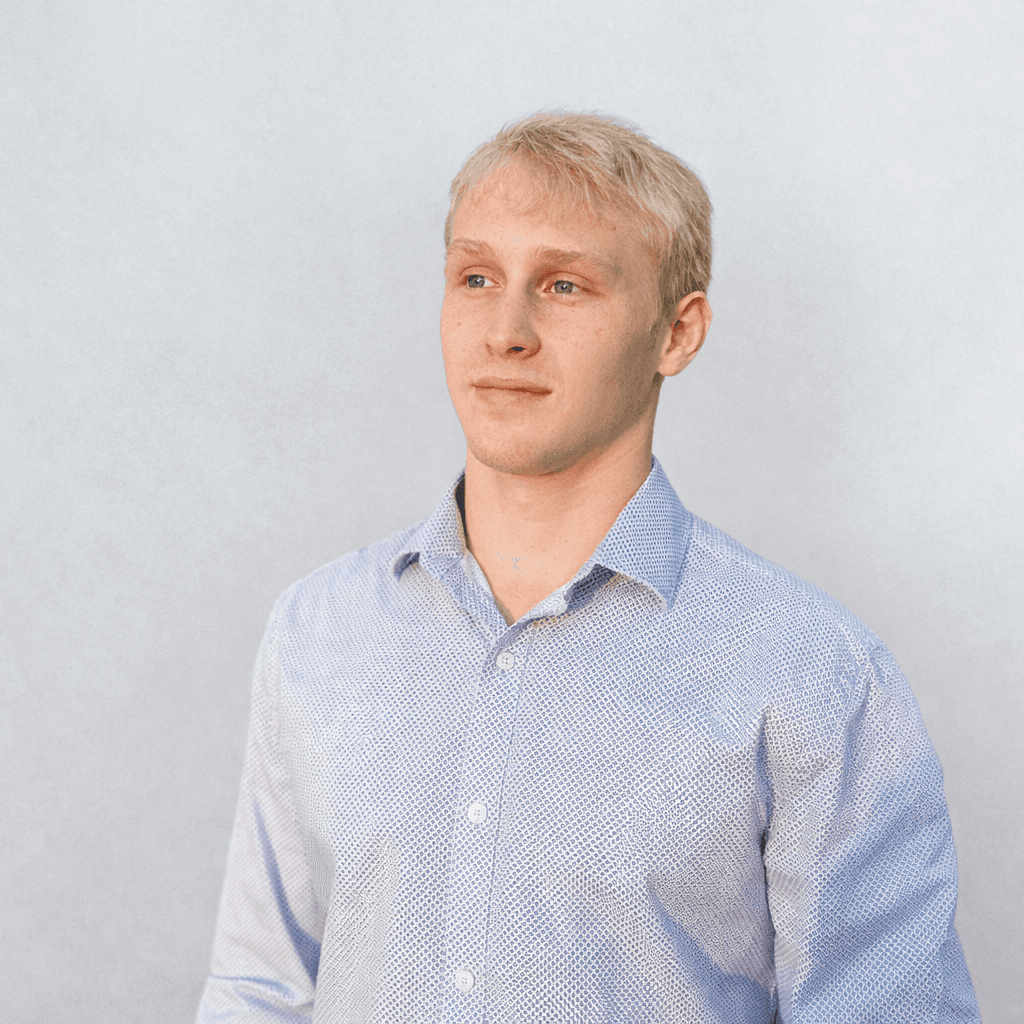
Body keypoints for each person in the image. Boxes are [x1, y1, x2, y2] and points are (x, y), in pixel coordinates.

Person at [196, 112, 980, 1022]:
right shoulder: (319, 629)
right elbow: (263, 986)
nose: (506, 330)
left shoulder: (812, 674)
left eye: (564, 285)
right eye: (476, 277)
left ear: (676, 334)